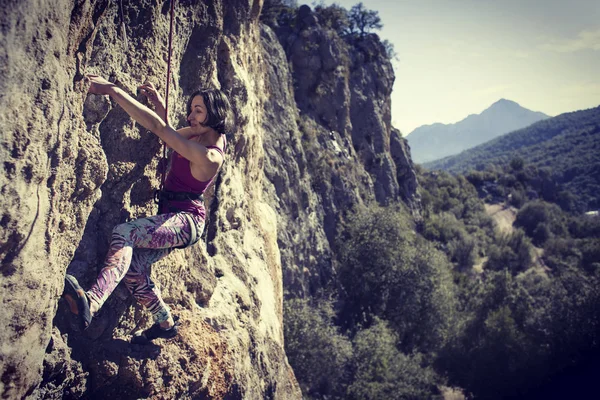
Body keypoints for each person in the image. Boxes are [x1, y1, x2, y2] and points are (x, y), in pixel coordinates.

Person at [63, 75, 232, 343]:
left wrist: (113, 91)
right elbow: (172, 135)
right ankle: (165, 323)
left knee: (124, 233)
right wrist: (160, 105)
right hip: (174, 217)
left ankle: (91, 304)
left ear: (215, 113)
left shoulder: (210, 156)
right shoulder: (203, 133)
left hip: (186, 222)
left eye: (198, 111)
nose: (191, 117)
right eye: (191, 110)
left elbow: (160, 130)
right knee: (133, 272)